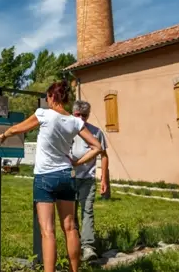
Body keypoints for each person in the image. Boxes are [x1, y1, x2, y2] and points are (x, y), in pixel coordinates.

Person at [0, 80, 102, 272]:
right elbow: (97, 147)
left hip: (44, 177)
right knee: (70, 228)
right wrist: (76, 162)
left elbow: (19, 128)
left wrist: (3, 136)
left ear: (51, 97)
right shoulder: (75, 121)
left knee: (47, 232)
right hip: (66, 176)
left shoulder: (43, 114)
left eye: (47, 97)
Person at [70, 100, 109, 261]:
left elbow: (104, 155)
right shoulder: (66, 130)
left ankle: (88, 247)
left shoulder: (96, 132)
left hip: (87, 178)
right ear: (73, 113)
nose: (81, 118)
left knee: (87, 211)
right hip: (69, 178)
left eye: (84, 116)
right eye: (77, 114)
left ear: (88, 116)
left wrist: (104, 178)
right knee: (70, 214)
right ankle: (74, 244)